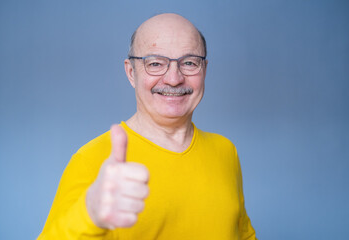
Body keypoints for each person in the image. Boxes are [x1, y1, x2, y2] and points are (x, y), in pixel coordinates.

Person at [38, 13, 257, 240]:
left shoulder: (225, 151)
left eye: (189, 62)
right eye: (155, 64)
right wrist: (88, 214)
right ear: (131, 73)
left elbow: (244, 234)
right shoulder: (91, 161)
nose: (174, 78)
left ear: (204, 70)